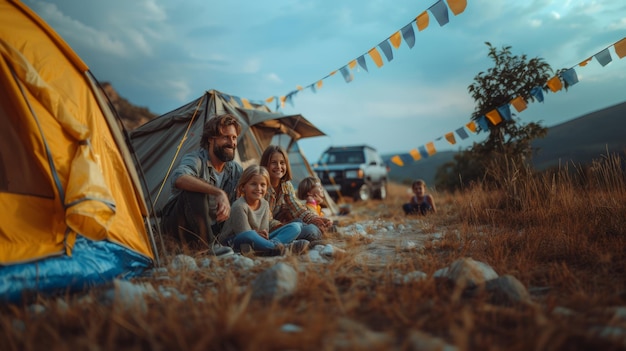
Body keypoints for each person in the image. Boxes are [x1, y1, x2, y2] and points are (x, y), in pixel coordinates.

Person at [160, 113, 242, 255]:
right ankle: (208, 249)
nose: (232, 142)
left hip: (213, 228)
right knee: (196, 190)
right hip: (178, 224)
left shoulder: (236, 170)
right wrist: (218, 192)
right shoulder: (196, 159)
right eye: (225, 137)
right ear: (211, 139)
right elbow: (179, 178)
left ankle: (215, 245)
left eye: (234, 138)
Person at [218, 165, 309, 256]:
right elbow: (245, 236)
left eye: (263, 185)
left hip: (260, 241)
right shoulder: (239, 206)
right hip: (234, 242)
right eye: (253, 184)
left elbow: (265, 233)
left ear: (267, 187)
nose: (258, 188)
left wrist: (262, 237)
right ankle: (277, 248)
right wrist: (258, 235)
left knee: (295, 227)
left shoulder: (265, 204)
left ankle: (273, 247)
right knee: (250, 235)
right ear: (243, 187)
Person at [260, 145, 332, 242]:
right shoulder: (262, 187)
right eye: (273, 163)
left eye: (282, 163)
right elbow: (266, 220)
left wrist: (315, 219)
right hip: (266, 229)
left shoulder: (286, 185)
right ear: (265, 165)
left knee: (304, 224)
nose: (279, 167)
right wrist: (286, 227)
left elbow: (296, 207)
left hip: (284, 226)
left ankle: (299, 239)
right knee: (307, 229)